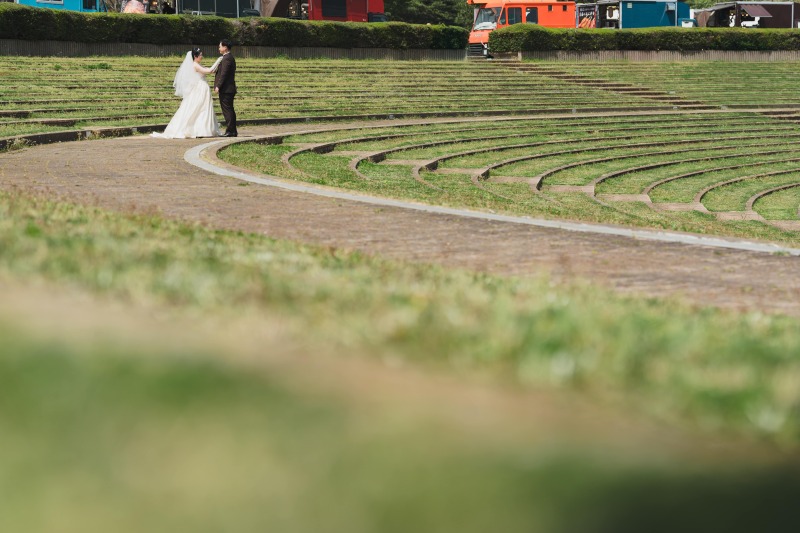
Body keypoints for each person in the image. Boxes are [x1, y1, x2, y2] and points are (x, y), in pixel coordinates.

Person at [152, 48, 221, 139]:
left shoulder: (198, 64)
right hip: (199, 89)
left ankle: (202, 129)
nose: (202, 56)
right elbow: (209, 71)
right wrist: (218, 60)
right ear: (195, 56)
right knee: (198, 108)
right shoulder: (195, 65)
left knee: (203, 108)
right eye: (200, 55)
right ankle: (198, 129)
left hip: (202, 88)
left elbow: (210, 70)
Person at [214, 39, 238, 138]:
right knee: (229, 110)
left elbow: (224, 74)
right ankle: (232, 131)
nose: (219, 48)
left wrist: (218, 86)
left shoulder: (227, 58)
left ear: (225, 47)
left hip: (226, 89)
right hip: (228, 89)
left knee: (227, 110)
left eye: (220, 46)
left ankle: (230, 131)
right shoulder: (228, 57)